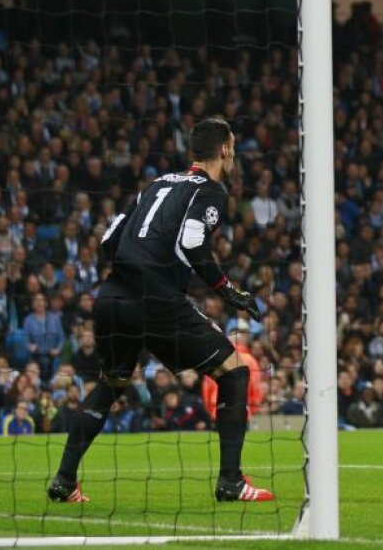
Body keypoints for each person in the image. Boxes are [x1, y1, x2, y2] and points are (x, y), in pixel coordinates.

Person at [47, 117, 273, 504]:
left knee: (112, 383)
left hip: (113, 297)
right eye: (232, 146)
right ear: (223, 150)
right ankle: (232, 481)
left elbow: (107, 240)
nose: (233, 153)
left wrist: (136, 265)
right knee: (236, 373)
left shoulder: (156, 185)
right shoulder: (211, 191)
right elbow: (192, 242)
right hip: (155, 300)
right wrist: (229, 290)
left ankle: (64, 481)